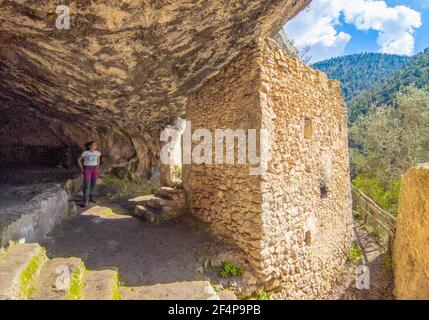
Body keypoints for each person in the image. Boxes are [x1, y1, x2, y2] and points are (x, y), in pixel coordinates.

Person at [77, 141, 101, 207]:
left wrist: (98, 165)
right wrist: (81, 168)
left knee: (93, 184)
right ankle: (85, 201)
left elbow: (98, 159)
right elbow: (79, 160)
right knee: (87, 185)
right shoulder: (85, 153)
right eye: (93, 145)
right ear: (89, 146)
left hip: (95, 169)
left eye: (95, 145)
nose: (95, 146)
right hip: (87, 168)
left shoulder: (97, 153)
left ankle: (91, 198)